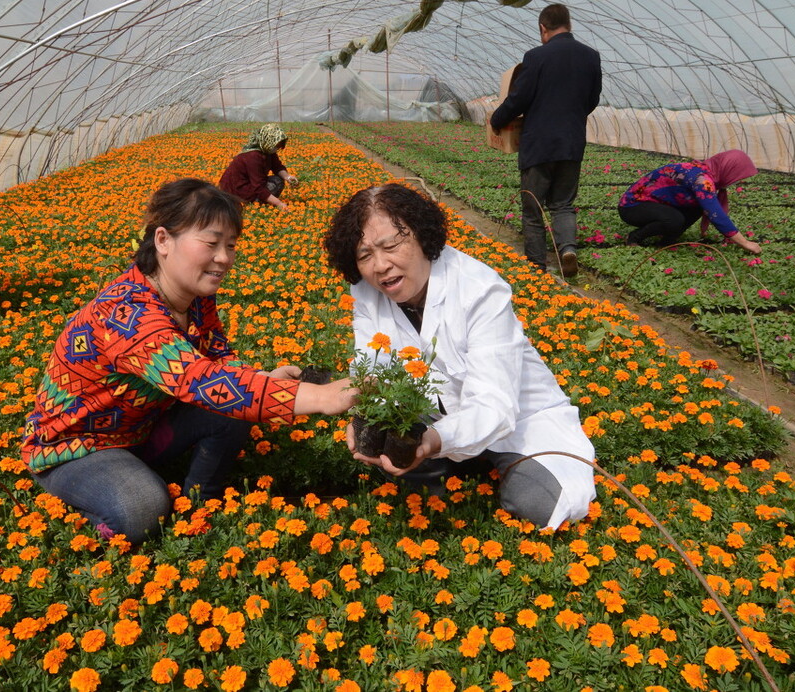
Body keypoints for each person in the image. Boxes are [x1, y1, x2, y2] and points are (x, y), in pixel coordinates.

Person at [22, 178, 355, 543]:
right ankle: (90, 506)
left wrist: (265, 379)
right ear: (163, 240)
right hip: (78, 446)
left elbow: (218, 361)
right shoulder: (126, 315)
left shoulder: (194, 297)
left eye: (230, 245)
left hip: (142, 430)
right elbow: (198, 381)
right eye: (211, 243)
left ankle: (201, 506)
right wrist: (321, 398)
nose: (224, 258)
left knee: (237, 404)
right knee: (142, 510)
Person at [324, 183, 597, 530]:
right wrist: (368, 415)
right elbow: (373, 364)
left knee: (539, 503)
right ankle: (454, 463)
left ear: (422, 237)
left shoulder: (479, 289)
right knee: (386, 457)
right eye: (364, 255)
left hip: (518, 420)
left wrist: (434, 441)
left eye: (391, 245)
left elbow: (494, 405)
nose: (380, 265)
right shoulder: (366, 291)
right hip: (433, 416)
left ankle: (489, 461)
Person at [489, 3, 602, 278]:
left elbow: (519, 99)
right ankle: (567, 250)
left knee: (533, 206)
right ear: (569, 24)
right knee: (563, 203)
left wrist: (496, 119)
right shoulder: (591, 56)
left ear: (543, 28)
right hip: (571, 143)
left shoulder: (537, 57)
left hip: (539, 144)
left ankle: (536, 266)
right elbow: (592, 99)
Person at [618, 149, 762, 254]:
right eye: (737, 176)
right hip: (632, 206)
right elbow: (716, 214)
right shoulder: (702, 180)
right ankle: (634, 237)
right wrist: (745, 243)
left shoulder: (705, 171)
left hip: (655, 204)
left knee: (699, 206)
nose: (736, 180)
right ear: (729, 169)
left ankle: (667, 239)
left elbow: (709, 206)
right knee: (674, 220)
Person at [218, 124, 297, 212]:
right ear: (268, 140)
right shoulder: (253, 156)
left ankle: (260, 200)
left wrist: (288, 177)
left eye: (279, 145)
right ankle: (251, 202)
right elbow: (258, 187)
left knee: (278, 180)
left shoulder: (267, 151)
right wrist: (279, 204)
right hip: (235, 191)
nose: (278, 148)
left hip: (247, 185)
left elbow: (277, 166)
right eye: (277, 144)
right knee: (276, 183)